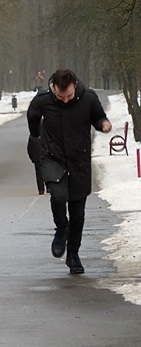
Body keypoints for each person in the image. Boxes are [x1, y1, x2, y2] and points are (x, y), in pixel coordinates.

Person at [27, 68, 111, 274]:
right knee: (57, 195)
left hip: (79, 160)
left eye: (69, 96)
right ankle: (61, 228)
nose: (65, 100)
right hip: (52, 157)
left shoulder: (88, 98)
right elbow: (32, 116)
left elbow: (98, 117)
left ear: (75, 85)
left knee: (78, 213)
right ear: (53, 87)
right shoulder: (43, 100)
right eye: (60, 96)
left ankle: (73, 254)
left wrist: (103, 124)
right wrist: (36, 135)